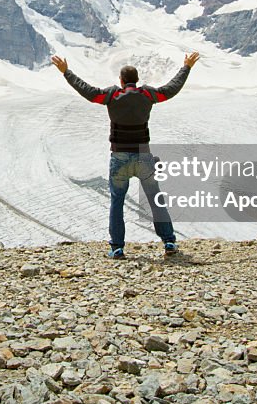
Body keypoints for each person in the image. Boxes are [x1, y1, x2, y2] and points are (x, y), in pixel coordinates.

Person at [51, 52, 200, 259]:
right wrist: (186, 67)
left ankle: (118, 248)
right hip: (143, 156)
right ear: (137, 80)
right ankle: (169, 243)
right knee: (155, 200)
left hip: (119, 157)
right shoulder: (148, 95)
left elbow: (88, 92)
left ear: (121, 81)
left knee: (117, 202)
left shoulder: (112, 96)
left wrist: (66, 72)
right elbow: (170, 90)